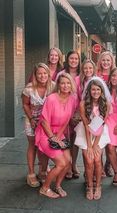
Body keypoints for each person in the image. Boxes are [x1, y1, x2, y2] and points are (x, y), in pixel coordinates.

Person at [35, 73, 77, 198]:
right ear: (58, 84)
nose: (65, 86)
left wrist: (59, 137)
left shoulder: (73, 99)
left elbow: (67, 120)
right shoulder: (51, 98)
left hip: (59, 133)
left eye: (68, 83)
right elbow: (44, 121)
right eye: (63, 83)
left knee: (68, 161)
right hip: (45, 133)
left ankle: (58, 185)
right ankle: (45, 188)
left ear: (71, 85)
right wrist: (53, 138)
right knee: (61, 163)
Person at [74, 77, 111, 200]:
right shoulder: (83, 104)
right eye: (93, 89)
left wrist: (95, 145)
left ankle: (98, 186)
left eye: (98, 89)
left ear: (101, 91)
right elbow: (85, 124)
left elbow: (101, 124)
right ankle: (89, 186)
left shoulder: (106, 104)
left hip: (99, 134)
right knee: (89, 160)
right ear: (89, 91)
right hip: (86, 133)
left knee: (97, 160)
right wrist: (89, 145)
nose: (95, 92)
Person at [22, 63, 55, 187]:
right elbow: (25, 104)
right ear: (35, 75)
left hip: (46, 121)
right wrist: (31, 118)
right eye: (39, 73)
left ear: (48, 74)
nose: (42, 76)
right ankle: (31, 173)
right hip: (32, 120)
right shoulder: (29, 88)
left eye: (45, 73)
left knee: (44, 145)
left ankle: (43, 170)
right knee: (33, 145)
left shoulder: (53, 86)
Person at [57, 50, 81, 179]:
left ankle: (74, 164)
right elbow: (57, 90)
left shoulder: (81, 75)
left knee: (75, 139)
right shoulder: (62, 74)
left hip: (77, 110)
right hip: (63, 109)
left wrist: (79, 113)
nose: (73, 61)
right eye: (71, 58)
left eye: (76, 59)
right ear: (67, 60)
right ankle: (67, 165)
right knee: (65, 137)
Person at [96, 51, 116, 177]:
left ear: (112, 62)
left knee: (110, 143)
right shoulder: (97, 75)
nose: (106, 62)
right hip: (99, 111)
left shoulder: (115, 74)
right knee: (99, 140)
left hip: (113, 113)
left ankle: (108, 165)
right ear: (100, 61)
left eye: (108, 60)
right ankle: (100, 166)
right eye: (103, 60)